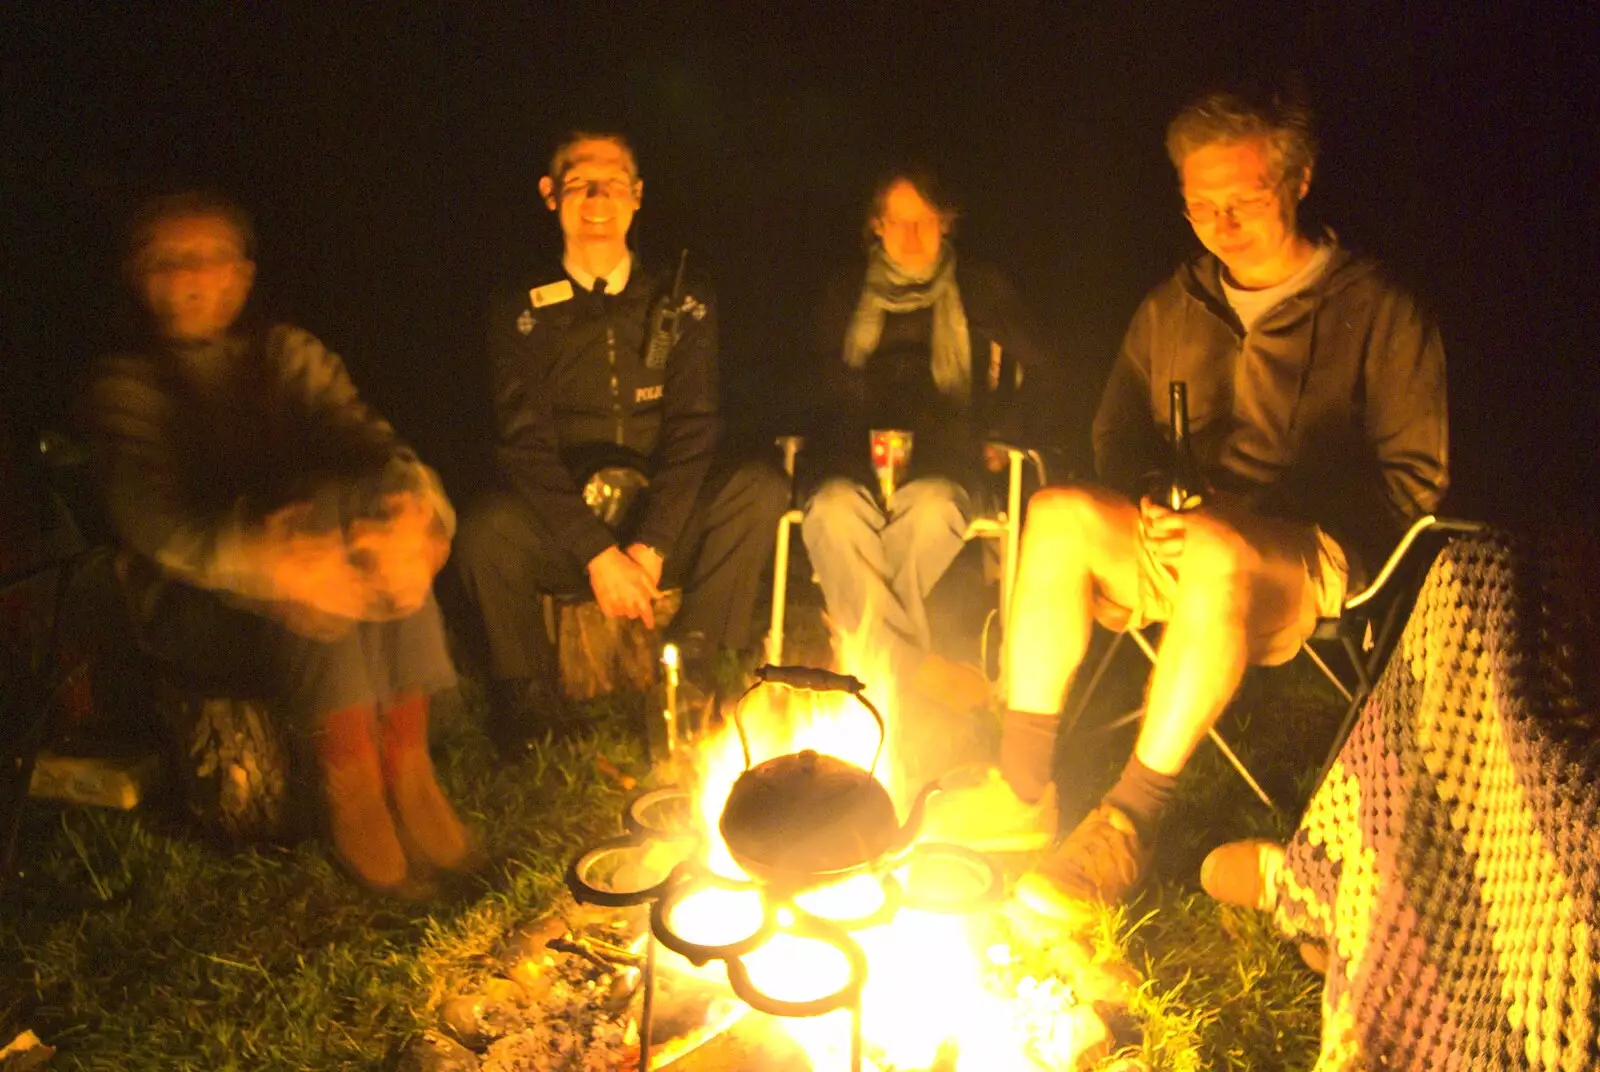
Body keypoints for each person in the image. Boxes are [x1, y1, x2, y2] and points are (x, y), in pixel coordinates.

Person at [992, 82, 1449, 920]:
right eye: (1200, 205)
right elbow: (1117, 436)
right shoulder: (1177, 304)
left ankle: (1126, 823)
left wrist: (1260, 516)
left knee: (1217, 549)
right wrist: (1149, 496)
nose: (1220, 225)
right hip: (1189, 539)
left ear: (1301, 178)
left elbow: (1414, 481)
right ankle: (1020, 789)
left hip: (1307, 557)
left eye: (1244, 200)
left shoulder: (1378, 309)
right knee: (1057, 513)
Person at [80, 192, 471, 896]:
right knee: (318, 534)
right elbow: (154, 522)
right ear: (138, 277)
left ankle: (410, 773)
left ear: (243, 274)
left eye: (211, 259)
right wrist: (268, 559)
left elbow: (374, 443)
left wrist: (418, 516)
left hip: (321, 579)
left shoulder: (288, 355)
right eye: (171, 262)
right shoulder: (126, 386)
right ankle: (353, 790)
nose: (194, 277)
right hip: (199, 606)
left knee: (373, 508)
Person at [455, 132, 787, 752]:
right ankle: (528, 704)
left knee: (757, 487)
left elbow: (694, 428)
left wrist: (653, 544)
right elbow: (523, 445)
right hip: (568, 534)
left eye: (614, 182)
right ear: (551, 196)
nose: (598, 196)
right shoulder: (518, 310)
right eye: (581, 182)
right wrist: (596, 554)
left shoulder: (683, 298)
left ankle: (693, 678)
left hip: (660, 528)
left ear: (637, 197)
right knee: (484, 529)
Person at [800, 166, 1056, 778]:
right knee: (834, 512)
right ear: (876, 227)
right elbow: (810, 384)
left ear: (945, 222)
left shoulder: (978, 287)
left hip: (949, 457)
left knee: (936, 507)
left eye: (925, 221)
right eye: (899, 221)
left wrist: (1004, 432)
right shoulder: (845, 291)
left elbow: (1045, 370)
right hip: (851, 459)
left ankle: (867, 674)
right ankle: (911, 676)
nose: (912, 236)